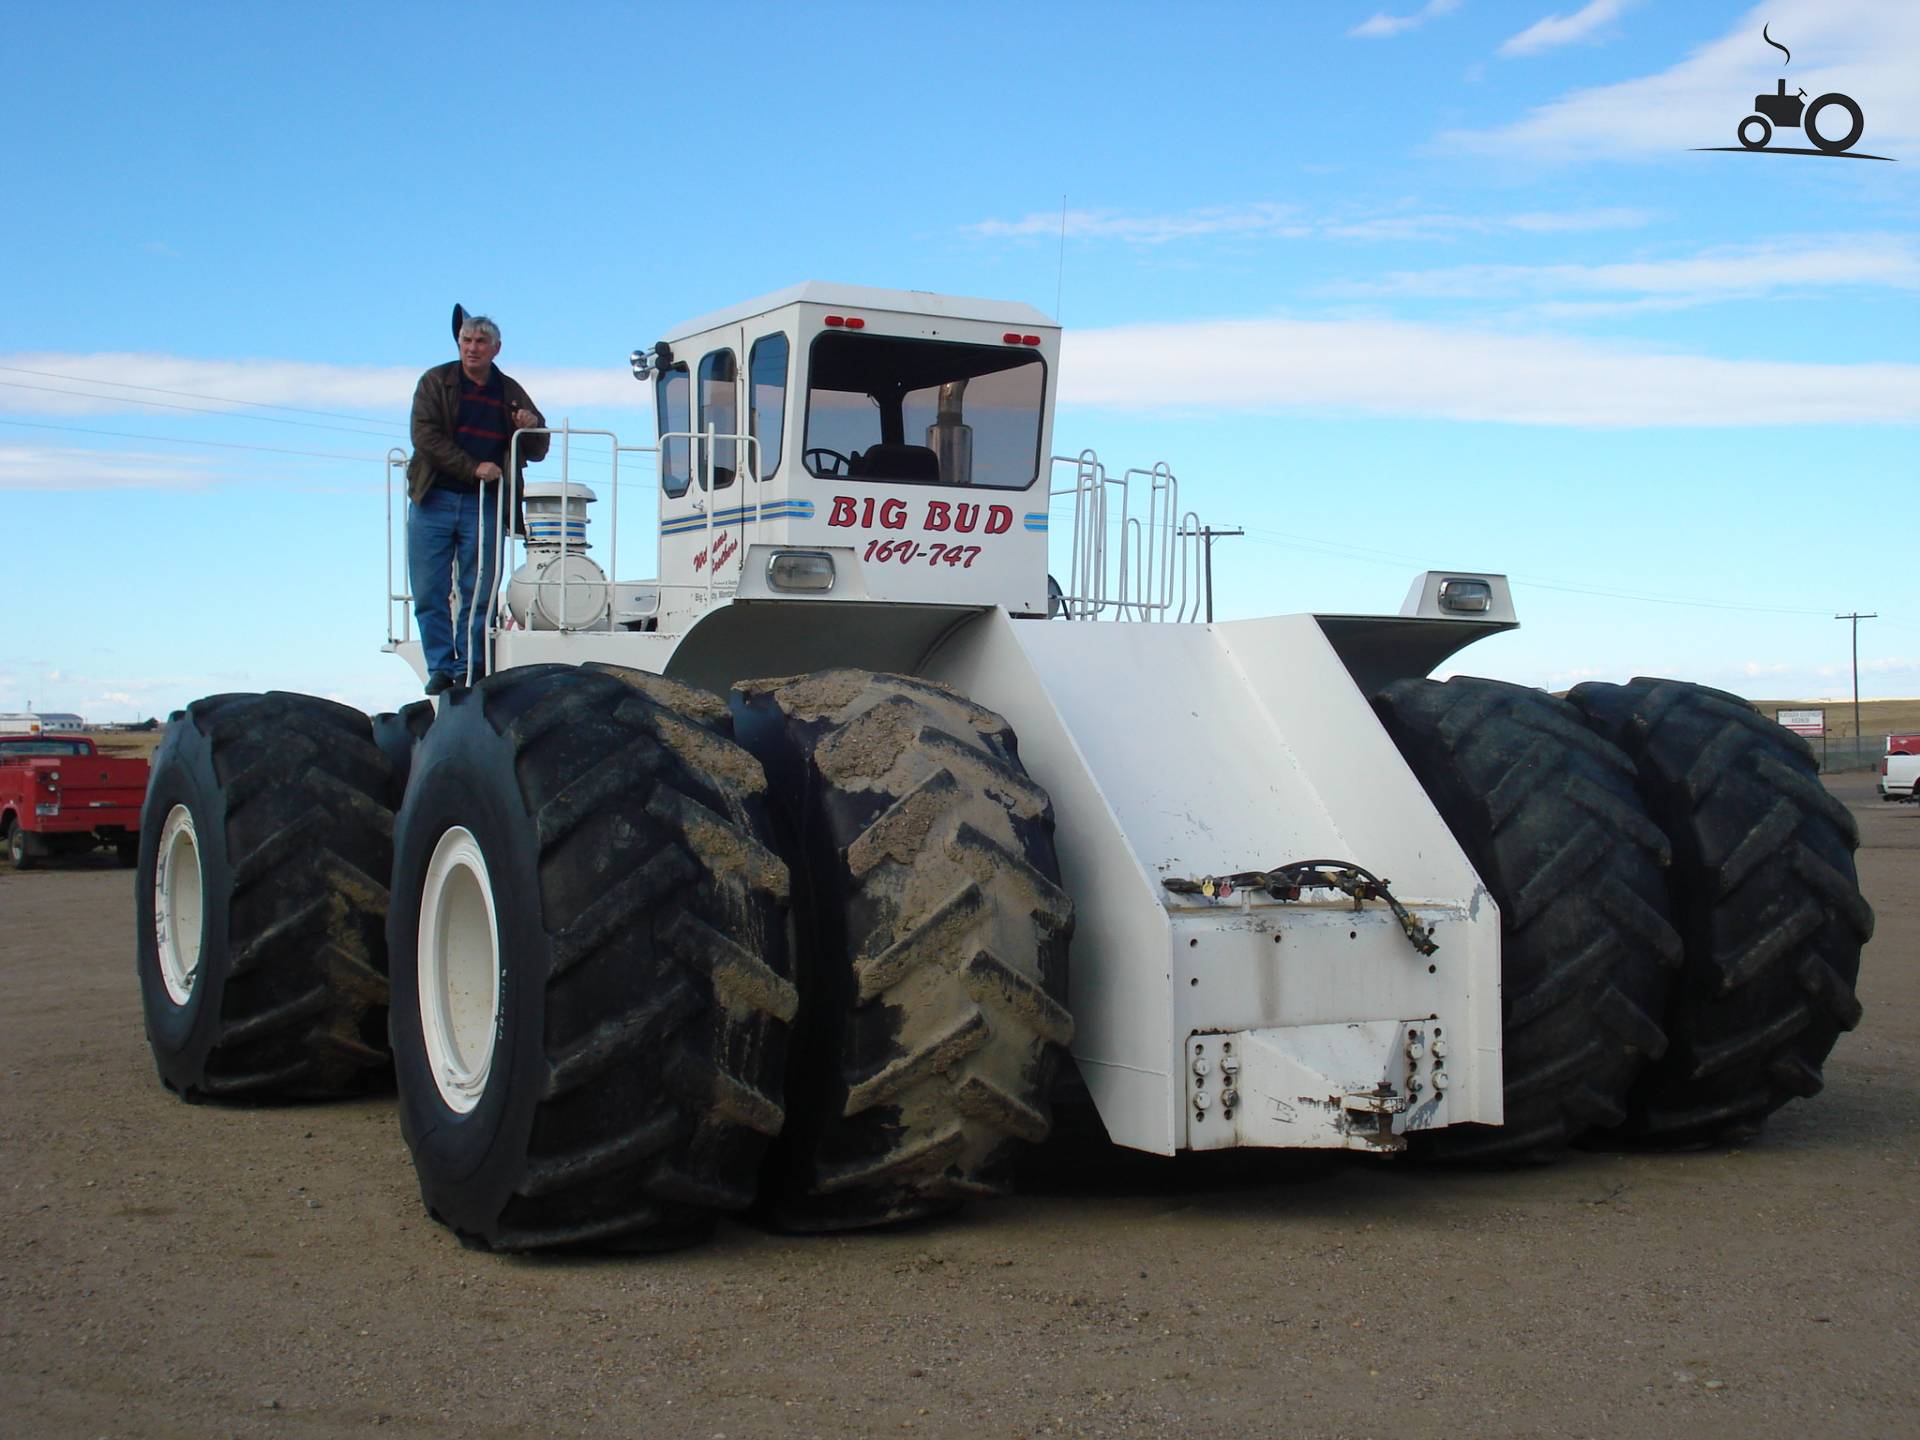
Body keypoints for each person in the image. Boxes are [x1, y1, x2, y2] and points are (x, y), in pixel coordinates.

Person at [406, 314, 549, 695]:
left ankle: (470, 664)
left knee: (479, 588)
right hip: (432, 497)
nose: (472, 348)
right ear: (458, 343)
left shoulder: (509, 391)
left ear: (495, 349)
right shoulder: (436, 382)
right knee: (428, 588)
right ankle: (440, 666)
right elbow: (424, 436)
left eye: (480, 342)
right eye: (466, 340)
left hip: (483, 503)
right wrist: (473, 467)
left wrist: (530, 423)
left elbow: (538, 448)